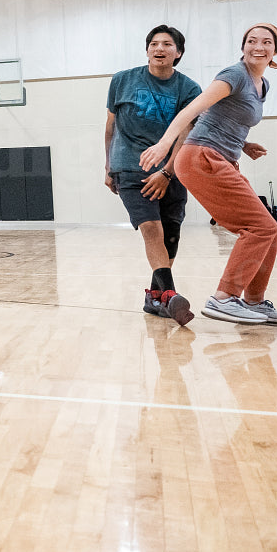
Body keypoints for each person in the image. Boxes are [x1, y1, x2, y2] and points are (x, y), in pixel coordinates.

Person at [142, 23, 277, 325]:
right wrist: (163, 144)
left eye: (266, 42)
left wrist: (244, 144)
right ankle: (223, 298)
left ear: (275, 50)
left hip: (222, 157)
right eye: (251, 41)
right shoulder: (234, 75)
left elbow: (227, 119)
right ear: (243, 46)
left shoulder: (262, 84)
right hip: (201, 157)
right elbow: (192, 111)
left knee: (268, 229)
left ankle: (254, 300)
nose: (257, 47)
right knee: (259, 227)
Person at [104, 25, 202, 326]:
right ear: (147, 50)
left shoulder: (189, 89)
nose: (160, 49)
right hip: (130, 167)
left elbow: (187, 134)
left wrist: (167, 173)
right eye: (154, 44)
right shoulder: (122, 81)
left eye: (167, 44)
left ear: (178, 53)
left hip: (172, 168)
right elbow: (110, 127)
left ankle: (155, 298)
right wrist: (108, 166)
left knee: (171, 234)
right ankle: (170, 295)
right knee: (151, 229)